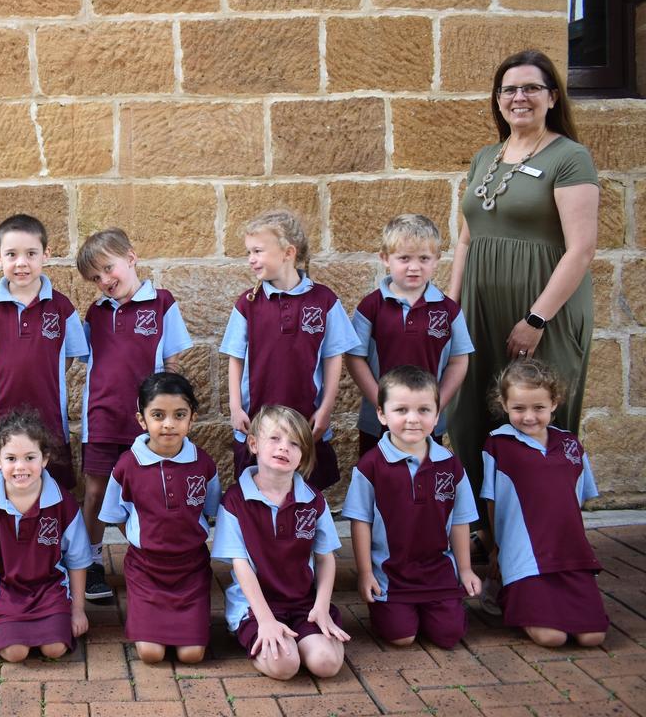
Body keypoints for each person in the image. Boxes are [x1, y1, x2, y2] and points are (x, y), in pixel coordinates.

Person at [448, 49, 599, 523]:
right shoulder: (484, 157)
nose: (519, 97)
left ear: (552, 97)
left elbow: (581, 250)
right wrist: (451, 307)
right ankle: (488, 536)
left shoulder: (570, 157)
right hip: (480, 307)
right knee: (470, 416)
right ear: (498, 99)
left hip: (543, 310)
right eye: (509, 89)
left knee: (534, 421)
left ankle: (542, 543)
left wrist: (536, 318)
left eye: (531, 87)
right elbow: (466, 239)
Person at [75, 227, 193, 601]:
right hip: (102, 417)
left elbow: (172, 363)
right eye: (95, 278)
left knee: (150, 490)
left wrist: (169, 416)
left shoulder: (162, 303)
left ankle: (156, 559)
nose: (105, 281)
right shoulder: (95, 312)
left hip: (149, 421)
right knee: (94, 491)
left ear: (131, 257)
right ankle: (90, 561)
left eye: (109, 268)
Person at [341, 366, 481, 650]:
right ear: (381, 414)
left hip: (438, 571)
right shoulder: (371, 466)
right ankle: (395, 610)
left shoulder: (450, 464)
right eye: (401, 410)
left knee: (448, 636)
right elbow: (360, 522)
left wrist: (465, 569)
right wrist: (366, 573)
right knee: (402, 636)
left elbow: (460, 520)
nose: (413, 420)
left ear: (437, 414)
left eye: (423, 410)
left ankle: (438, 607)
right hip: (392, 574)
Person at [220, 209, 360, 489]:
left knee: (306, 491)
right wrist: (236, 406)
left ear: (288, 252)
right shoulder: (248, 303)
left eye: (258, 251)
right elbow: (236, 358)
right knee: (258, 490)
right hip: (258, 419)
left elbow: (333, 358)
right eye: (249, 251)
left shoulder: (324, 300)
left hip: (305, 420)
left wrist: (327, 409)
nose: (251, 259)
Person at [212, 405, 349, 681]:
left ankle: (301, 638)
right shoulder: (235, 503)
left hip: (303, 602)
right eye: (274, 439)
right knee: (284, 666)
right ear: (253, 444)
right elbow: (241, 566)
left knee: (327, 664)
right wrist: (264, 619)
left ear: (303, 455)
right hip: (256, 605)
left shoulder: (313, 500)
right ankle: (270, 638)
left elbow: (325, 558)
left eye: (295, 443)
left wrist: (321, 607)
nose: (284, 448)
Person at [482, 358, 607, 648]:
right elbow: (493, 502)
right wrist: (495, 548)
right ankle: (507, 596)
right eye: (518, 408)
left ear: (555, 402)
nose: (529, 417)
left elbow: (576, 500)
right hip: (525, 556)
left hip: (569, 554)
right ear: (504, 404)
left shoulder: (571, 445)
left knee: (592, 637)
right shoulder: (498, 444)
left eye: (538, 407)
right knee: (551, 637)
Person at [98, 373, 218, 664]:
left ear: (192, 419)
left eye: (179, 415)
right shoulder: (128, 464)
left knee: (192, 655)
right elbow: (116, 514)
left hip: (191, 570)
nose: (168, 424)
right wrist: (143, 537)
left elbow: (210, 509)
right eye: (158, 415)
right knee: (151, 654)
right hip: (146, 570)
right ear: (142, 420)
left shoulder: (203, 463)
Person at [0, 409, 92, 661]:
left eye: (30, 457)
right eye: (11, 458)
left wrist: (78, 610)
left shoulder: (63, 503)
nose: (21, 467)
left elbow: (77, 561)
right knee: (15, 652)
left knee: (55, 649)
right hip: (5, 592)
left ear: (44, 458)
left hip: (49, 589)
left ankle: (51, 623)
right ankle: (5, 629)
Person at [0, 215, 89, 491]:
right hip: (1, 416)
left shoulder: (61, 306)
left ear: (45, 255)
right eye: (11, 254)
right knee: (5, 489)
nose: (21, 263)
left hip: (49, 416)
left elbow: (69, 356)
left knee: (54, 490)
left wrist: (43, 372)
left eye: (31, 254)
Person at [344, 215, 473, 458]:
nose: (414, 267)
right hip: (378, 423)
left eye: (424, 258)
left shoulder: (448, 310)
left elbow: (459, 361)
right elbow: (354, 358)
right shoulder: (371, 307)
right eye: (404, 258)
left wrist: (436, 406)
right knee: (379, 483)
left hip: (426, 421)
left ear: (436, 260)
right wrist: (381, 404)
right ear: (385, 259)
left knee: (422, 482)